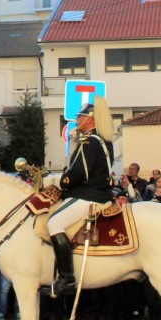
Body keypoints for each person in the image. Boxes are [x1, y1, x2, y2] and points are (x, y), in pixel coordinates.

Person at [47, 101, 114, 298]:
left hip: (90, 195)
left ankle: (67, 277)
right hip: (96, 192)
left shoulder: (89, 142)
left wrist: (59, 181)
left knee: (54, 222)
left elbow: (79, 174)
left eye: (80, 117)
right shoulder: (102, 140)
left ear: (90, 118)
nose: (77, 120)